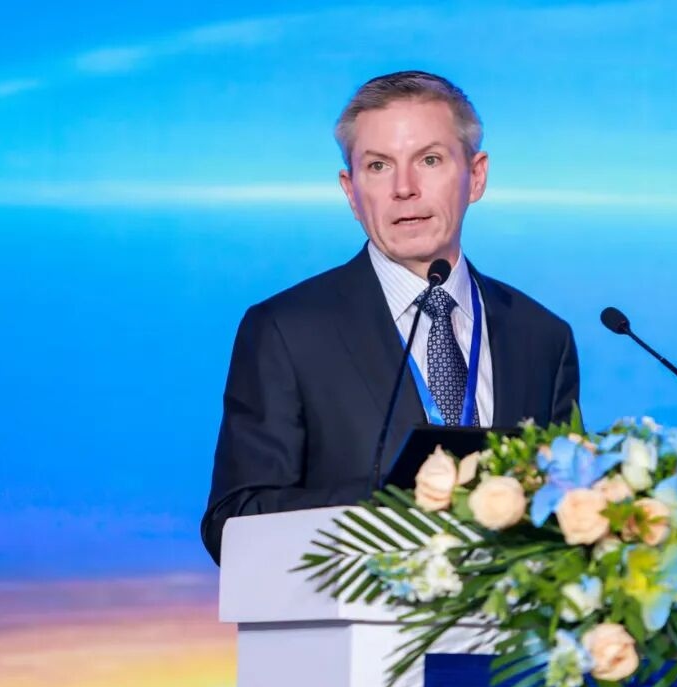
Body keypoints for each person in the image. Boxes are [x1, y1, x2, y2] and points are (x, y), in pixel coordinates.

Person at [201, 71, 581, 565]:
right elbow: (234, 522)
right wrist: (399, 507)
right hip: (351, 609)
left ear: (476, 176)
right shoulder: (287, 331)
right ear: (351, 191)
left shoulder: (541, 337)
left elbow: (568, 508)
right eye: (378, 166)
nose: (405, 188)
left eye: (429, 160)